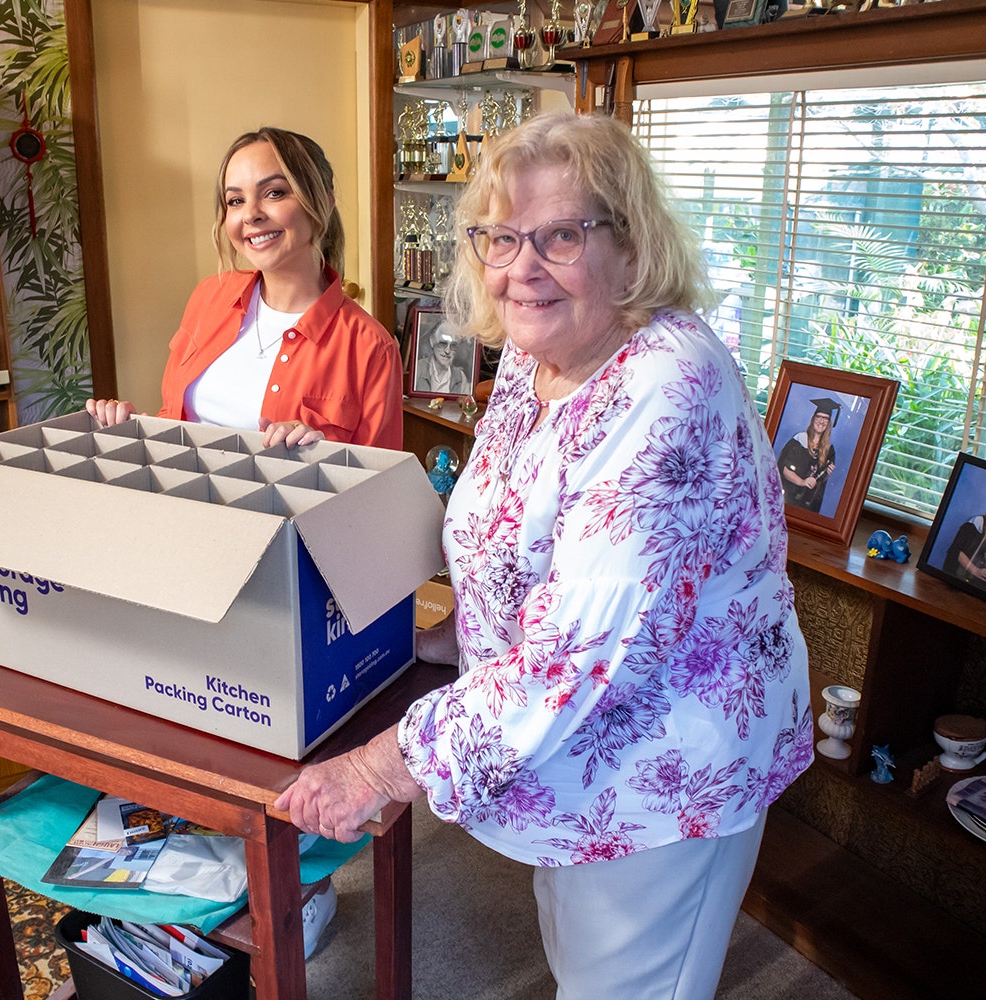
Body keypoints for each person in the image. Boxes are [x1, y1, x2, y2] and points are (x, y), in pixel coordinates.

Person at [274, 112, 812, 1000]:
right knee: (576, 959)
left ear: (631, 247)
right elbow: (527, 535)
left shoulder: (665, 380)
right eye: (500, 236)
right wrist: (462, 639)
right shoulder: (538, 352)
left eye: (561, 234)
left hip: (664, 768)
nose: (523, 266)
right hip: (572, 752)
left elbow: (575, 652)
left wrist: (378, 768)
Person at [87, 127, 403, 450]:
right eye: (235, 200)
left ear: (322, 202)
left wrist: (321, 456)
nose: (250, 214)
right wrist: (129, 427)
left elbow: (379, 483)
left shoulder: (371, 350)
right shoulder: (208, 296)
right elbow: (173, 420)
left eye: (275, 193)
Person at [778, 396, 840, 513]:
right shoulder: (799, 440)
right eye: (819, 417)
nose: (821, 421)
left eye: (826, 418)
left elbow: (820, 480)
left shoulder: (829, 450)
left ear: (829, 423)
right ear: (813, 419)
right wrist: (802, 482)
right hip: (789, 498)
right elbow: (784, 469)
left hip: (808, 505)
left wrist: (827, 473)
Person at [413, 320, 471, 395]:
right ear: (432, 341)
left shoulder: (460, 377)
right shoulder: (418, 369)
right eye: (443, 344)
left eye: (453, 345)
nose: (447, 351)